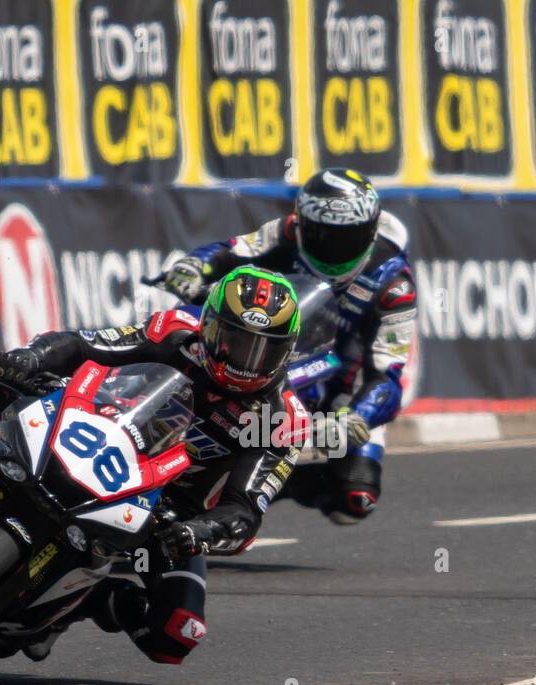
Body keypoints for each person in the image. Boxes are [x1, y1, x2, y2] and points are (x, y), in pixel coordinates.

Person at [0, 266, 307, 666]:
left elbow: (245, 508)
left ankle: (88, 600)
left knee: (177, 635)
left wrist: (199, 531)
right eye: (235, 340)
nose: (245, 360)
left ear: (285, 352)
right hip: (103, 435)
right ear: (210, 327)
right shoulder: (174, 331)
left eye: (263, 349)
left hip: (168, 512)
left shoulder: (281, 420)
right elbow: (86, 344)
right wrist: (32, 358)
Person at [159, 167, 416, 523]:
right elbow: (230, 251)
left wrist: (357, 416)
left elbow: (388, 374)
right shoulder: (286, 232)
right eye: (321, 235)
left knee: (355, 502)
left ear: (369, 231)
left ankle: (278, 480)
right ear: (304, 224)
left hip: (337, 384)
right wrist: (194, 265)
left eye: (345, 238)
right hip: (265, 348)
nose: (331, 248)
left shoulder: (394, 284)